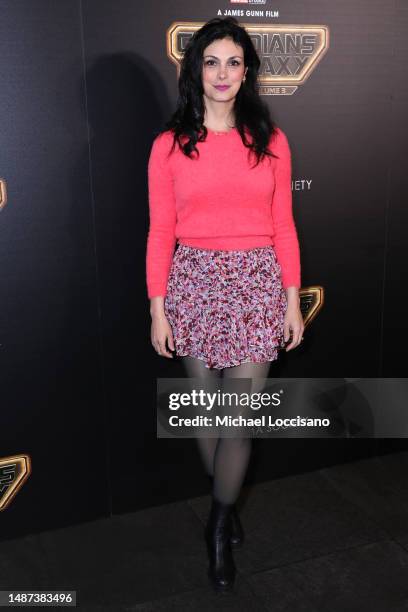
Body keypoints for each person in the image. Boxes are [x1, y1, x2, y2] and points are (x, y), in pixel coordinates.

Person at [146, 16, 304, 592]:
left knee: (237, 420)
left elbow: (284, 227)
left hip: (257, 284)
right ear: (196, 69)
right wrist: (158, 308)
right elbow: (160, 232)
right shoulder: (168, 145)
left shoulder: (271, 140)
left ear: (247, 72)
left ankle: (217, 523)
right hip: (192, 284)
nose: (222, 72)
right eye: (211, 60)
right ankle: (227, 502)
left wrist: (291, 302)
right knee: (207, 418)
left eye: (233, 61)